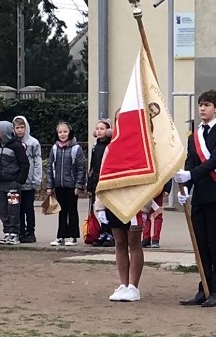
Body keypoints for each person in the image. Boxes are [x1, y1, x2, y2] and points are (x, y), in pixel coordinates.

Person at [174, 89, 216, 308]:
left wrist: (191, 175)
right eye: (200, 105)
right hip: (199, 196)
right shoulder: (195, 135)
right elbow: (191, 161)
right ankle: (204, 288)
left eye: (207, 105)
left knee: (215, 244)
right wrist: (186, 188)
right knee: (201, 245)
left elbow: (215, 161)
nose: (202, 108)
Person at [45, 121, 87, 246]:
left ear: (70, 133)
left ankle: (73, 236)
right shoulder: (54, 148)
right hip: (59, 184)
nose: (62, 134)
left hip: (71, 185)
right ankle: (61, 236)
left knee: (72, 210)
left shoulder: (76, 149)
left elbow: (81, 168)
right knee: (61, 210)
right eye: (60, 132)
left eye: (65, 131)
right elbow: (50, 167)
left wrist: (79, 185)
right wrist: (49, 185)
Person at [96, 199, 145, 302]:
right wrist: (100, 207)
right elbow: (102, 184)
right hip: (114, 203)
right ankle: (124, 285)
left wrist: (145, 208)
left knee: (134, 243)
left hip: (135, 203)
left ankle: (133, 287)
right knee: (119, 243)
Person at [0, 121, 30, 245]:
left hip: (13, 184)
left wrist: (19, 181)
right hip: (0, 184)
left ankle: (15, 233)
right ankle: (7, 232)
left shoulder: (16, 146)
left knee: (13, 209)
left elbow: (24, 164)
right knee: (2, 209)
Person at [12, 115, 42, 243]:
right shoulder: (12, 143)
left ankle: (31, 231)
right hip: (15, 182)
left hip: (29, 182)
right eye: (17, 127)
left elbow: (37, 161)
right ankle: (20, 231)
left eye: (22, 127)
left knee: (28, 208)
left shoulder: (33, 143)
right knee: (17, 207)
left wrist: (37, 179)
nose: (19, 130)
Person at [88, 118, 114, 247]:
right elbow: (93, 166)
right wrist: (90, 182)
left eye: (102, 129)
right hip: (96, 180)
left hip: (107, 180)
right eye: (97, 129)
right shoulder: (95, 146)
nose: (99, 131)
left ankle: (111, 234)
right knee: (98, 208)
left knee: (107, 207)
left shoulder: (110, 146)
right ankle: (103, 231)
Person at [141, 179, 173, 249]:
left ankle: (155, 239)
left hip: (158, 190)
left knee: (157, 215)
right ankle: (146, 238)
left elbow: (167, 174)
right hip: (147, 189)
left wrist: (167, 189)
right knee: (145, 214)